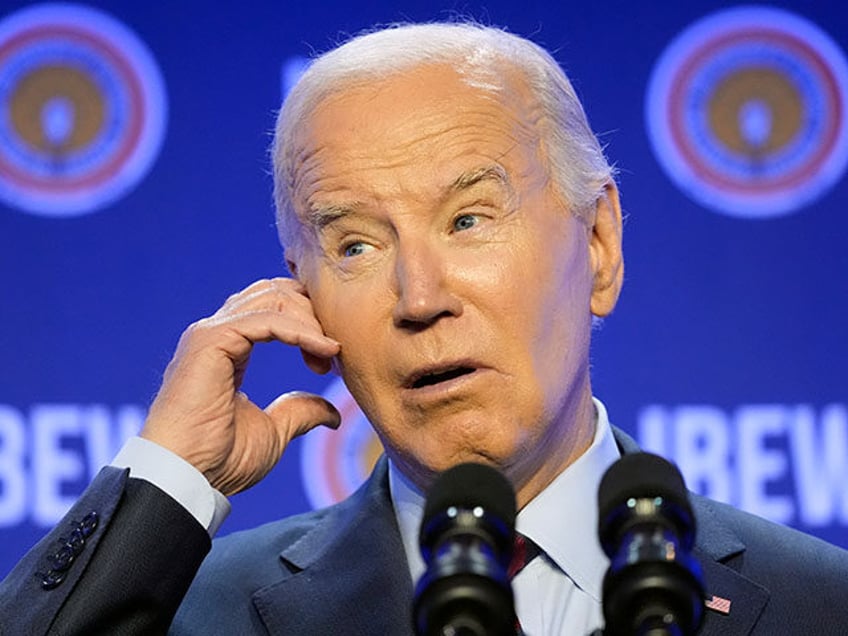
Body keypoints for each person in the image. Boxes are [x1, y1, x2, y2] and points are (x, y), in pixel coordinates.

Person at [2, 21, 848, 636]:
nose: (419, 295)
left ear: (598, 246)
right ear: (305, 300)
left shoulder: (820, 604)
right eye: (357, 244)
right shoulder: (196, 612)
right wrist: (170, 479)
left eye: (470, 219)